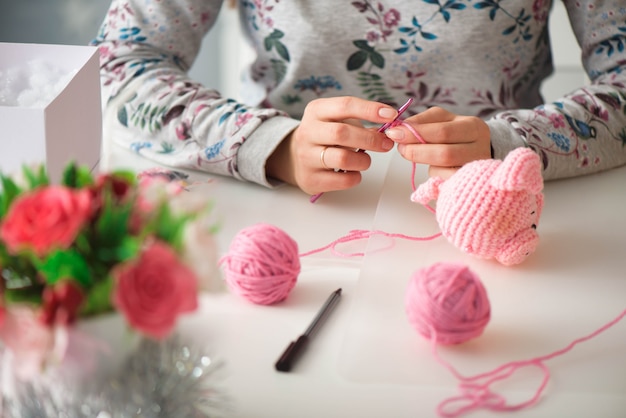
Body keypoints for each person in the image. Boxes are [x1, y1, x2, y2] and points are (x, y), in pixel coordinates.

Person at [92, 0, 626, 197]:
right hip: (290, 204)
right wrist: (269, 144)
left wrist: (508, 143)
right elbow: (119, 62)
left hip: (514, 198)